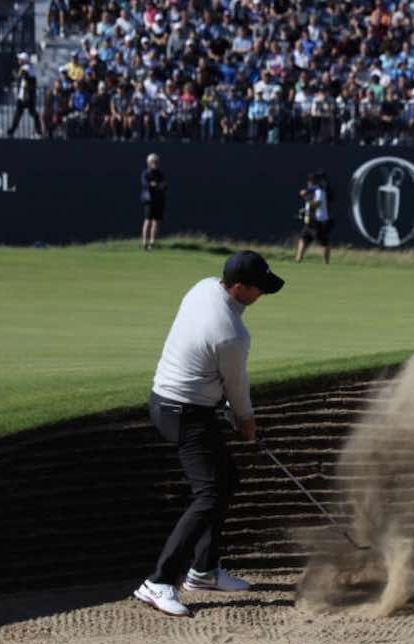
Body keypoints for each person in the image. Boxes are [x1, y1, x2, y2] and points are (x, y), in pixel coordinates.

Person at [135, 250, 286, 617]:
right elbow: (237, 389)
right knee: (210, 493)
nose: (262, 295)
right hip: (183, 412)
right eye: (258, 289)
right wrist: (246, 424)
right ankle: (157, 582)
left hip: (175, 402)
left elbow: (222, 384)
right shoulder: (231, 334)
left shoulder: (204, 286)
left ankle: (203, 570)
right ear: (237, 288)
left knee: (225, 482)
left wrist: (235, 415)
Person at [294, 170, 333, 265]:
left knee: (324, 244)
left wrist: (305, 197)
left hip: (318, 222)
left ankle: (326, 264)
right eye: (309, 181)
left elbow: (316, 204)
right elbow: (309, 205)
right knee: (303, 239)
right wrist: (304, 211)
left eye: (311, 181)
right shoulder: (311, 191)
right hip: (309, 222)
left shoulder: (319, 191)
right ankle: (298, 261)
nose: (309, 183)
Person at [6, 52, 41, 137]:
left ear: (23, 60)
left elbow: (24, 77)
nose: (18, 60)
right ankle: (38, 130)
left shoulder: (26, 68)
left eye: (20, 59)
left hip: (26, 96)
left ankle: (38, 131)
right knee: (24, 114)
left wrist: (15, 75)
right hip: (24, 96)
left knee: (27, 114)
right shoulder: (29, 68)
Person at [141, 152, 167, 251]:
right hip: (149, 200)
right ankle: (144, 243)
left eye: (156, 162)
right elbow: (145, 184)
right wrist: (154, 185)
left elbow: (164, 185)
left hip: (159, 200)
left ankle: (152, 243)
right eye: (153, 162)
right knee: (147, 221)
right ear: (149, 162)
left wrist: (157, 185)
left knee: (156, 222)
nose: (155, 163)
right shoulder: (145, 173)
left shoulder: (160, 174)